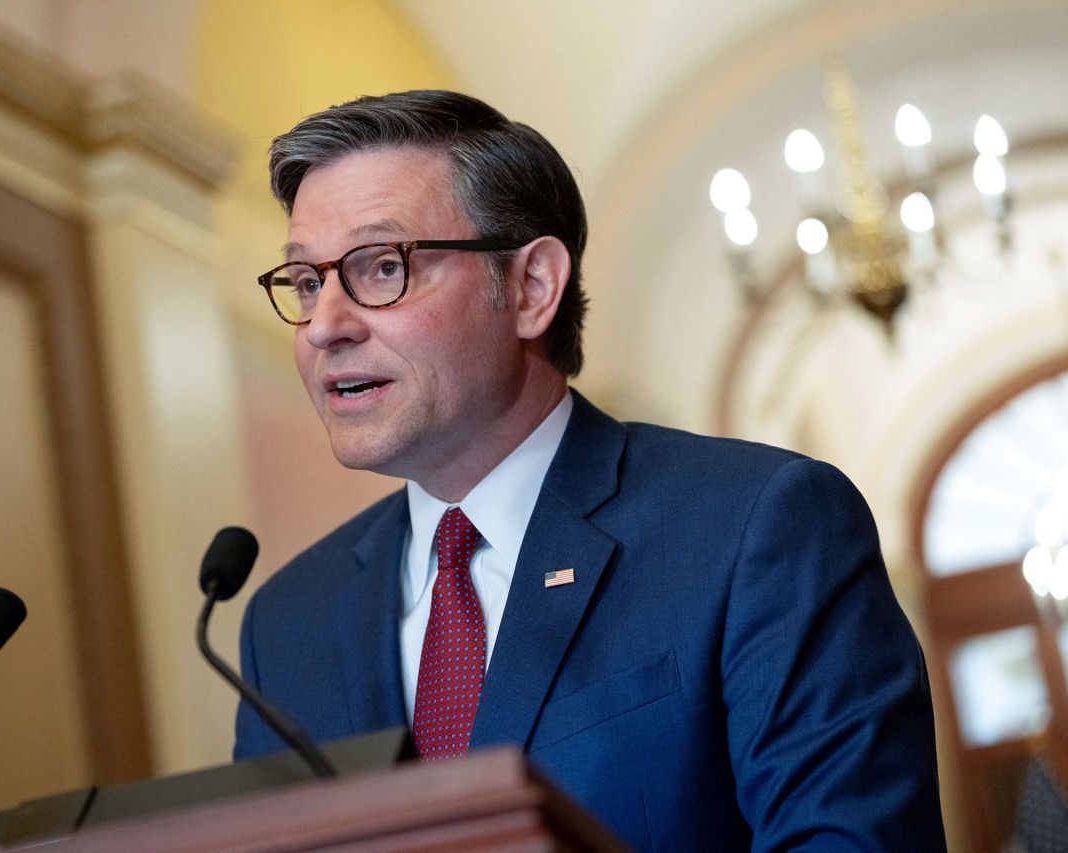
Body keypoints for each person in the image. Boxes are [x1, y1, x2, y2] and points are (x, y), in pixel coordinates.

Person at [233, 89, 946, 851]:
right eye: (307, 283)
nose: (326, 327)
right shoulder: (287, 626)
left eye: (381, 267)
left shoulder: (759, 528)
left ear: (532, 287)